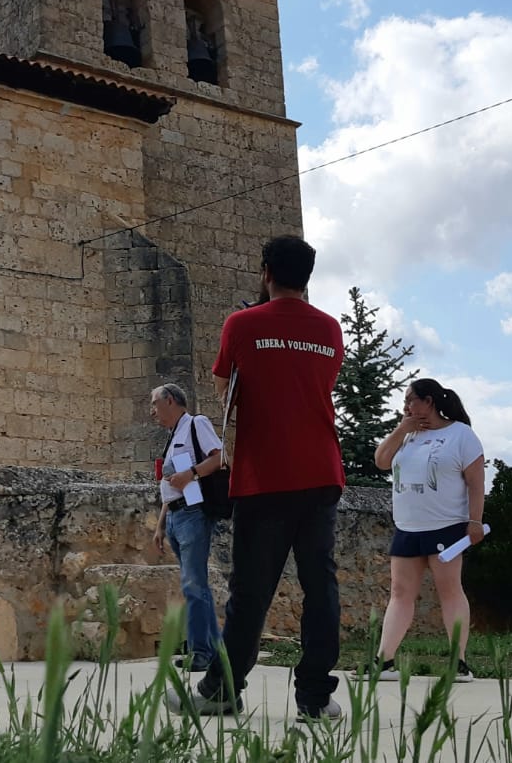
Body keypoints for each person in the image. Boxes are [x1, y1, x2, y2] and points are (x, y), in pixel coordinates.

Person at [167, 234, 347, 722]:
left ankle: (223, 688)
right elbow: (317, 386)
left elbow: (224, 386)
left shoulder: (242, 323)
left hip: (264, 474)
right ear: (307, 277)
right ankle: (314, 696)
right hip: (320, 472)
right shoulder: (330, 329)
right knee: (320, 587)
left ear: (265, 270)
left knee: (250, 591)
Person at [370, 378, 486, 683]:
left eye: (410, 399)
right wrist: (400, 430)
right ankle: (385, 661)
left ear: (429, 401)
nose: (406, 406)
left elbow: (476, 482)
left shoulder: (461, 435)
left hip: (446, 526)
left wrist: (474, 521)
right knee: (399, 592)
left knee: (449, 591)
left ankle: (458, 662)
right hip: (408, 527)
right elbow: (381, 461)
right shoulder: (407, 435)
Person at [149, 382, 227, 672]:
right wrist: (160, 525)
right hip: (176, 516)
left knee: (194, 585)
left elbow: (220, 457)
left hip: (194, 513)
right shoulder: (172, 436)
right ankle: (214, 650)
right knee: (195, 586)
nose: (152, 411)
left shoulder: (197, 424)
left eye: (155, 403)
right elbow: (171, 485)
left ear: (170, 400)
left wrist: (191, 473)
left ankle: (202, 653)